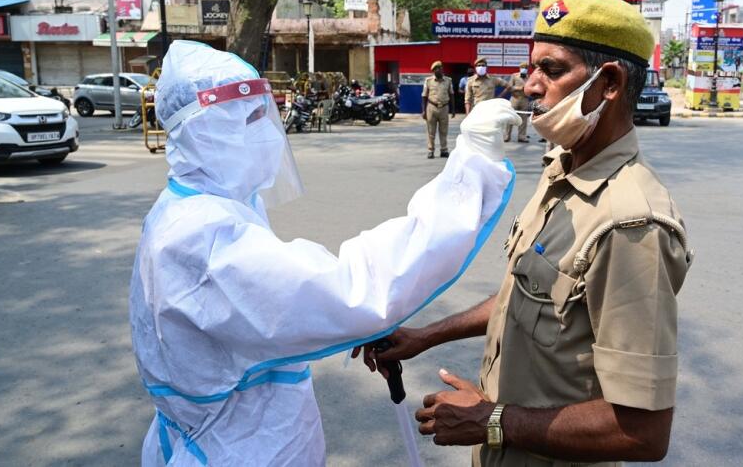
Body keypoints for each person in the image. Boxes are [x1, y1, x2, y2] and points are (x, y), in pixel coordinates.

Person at [129, 40, 522, 466]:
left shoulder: (197, 205)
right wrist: (474, 166)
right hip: (241, 449)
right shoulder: (202, 236)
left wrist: (343, 328)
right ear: (205, 129)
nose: (267, 131)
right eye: (252, 118)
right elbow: (354, 289)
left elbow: (265, 313)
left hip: (234, 433)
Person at [359, 0, 694, 466]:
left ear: (610, 83)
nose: (531, 86)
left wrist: (492, 420)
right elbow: (530, 294)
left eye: (552, 70)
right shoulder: (563, 169)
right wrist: (424, 336)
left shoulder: (629, 225)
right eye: (531, 69)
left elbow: (642, 432)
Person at [422, 60, 455, 159]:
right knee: (431, 131)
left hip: (444, 108)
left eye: (440, 68)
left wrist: (453, 110)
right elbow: (424, 95)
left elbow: (452, 94)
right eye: (437, 69)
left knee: (443, 130)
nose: (439, 70)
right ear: (434, 71)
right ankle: (430, 150)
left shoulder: (448, 80)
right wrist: (423, 111)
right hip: (431, 107)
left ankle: (444, 150)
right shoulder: (428, 81)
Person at [500, 62, 531, 143]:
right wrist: (519, 88)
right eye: (522, 67)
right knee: (510, 118)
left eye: (526, 67)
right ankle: (506, 136)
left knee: (523, 120)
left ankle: (522, 137)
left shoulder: (529, 77)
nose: (524, 68)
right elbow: (509, 87)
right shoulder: (514, 76)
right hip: (514, 98)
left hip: (524, 99)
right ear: (519, 68)